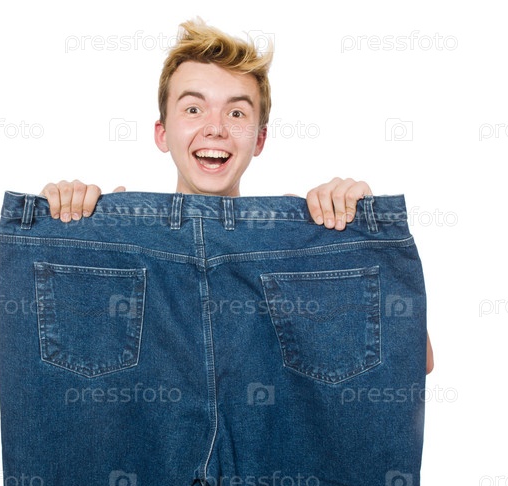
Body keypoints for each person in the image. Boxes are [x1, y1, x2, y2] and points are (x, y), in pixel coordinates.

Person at [40, 18, 433, 373]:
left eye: (237, 113)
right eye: (193, 109)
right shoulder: (114, 233)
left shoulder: (299, 238)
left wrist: (359, 243)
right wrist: (71, 237)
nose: (215, 128)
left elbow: (418, 359)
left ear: (259, 139)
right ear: (162, 133)